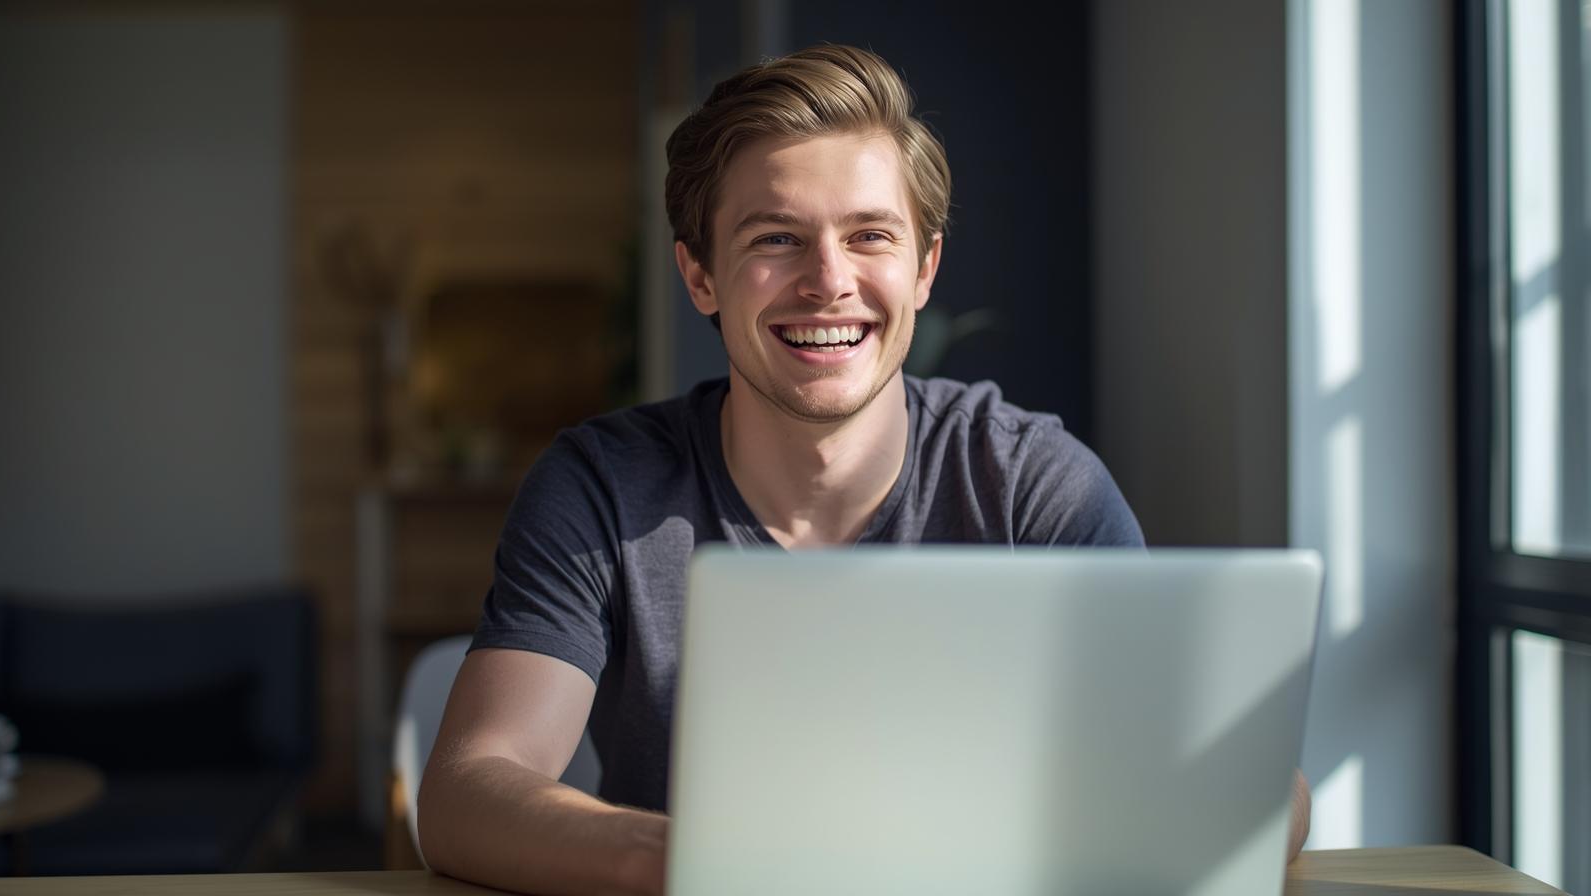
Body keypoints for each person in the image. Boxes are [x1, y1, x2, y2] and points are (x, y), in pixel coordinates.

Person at [418, 43, 1309, 896]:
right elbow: (468, 790)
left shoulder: (1031, 483)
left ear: (923, 269)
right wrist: (697, 864)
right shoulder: (601, 488)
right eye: (776, 239)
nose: (828, 280)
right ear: (700, 277)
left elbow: (1257, 791)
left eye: (871, 235)